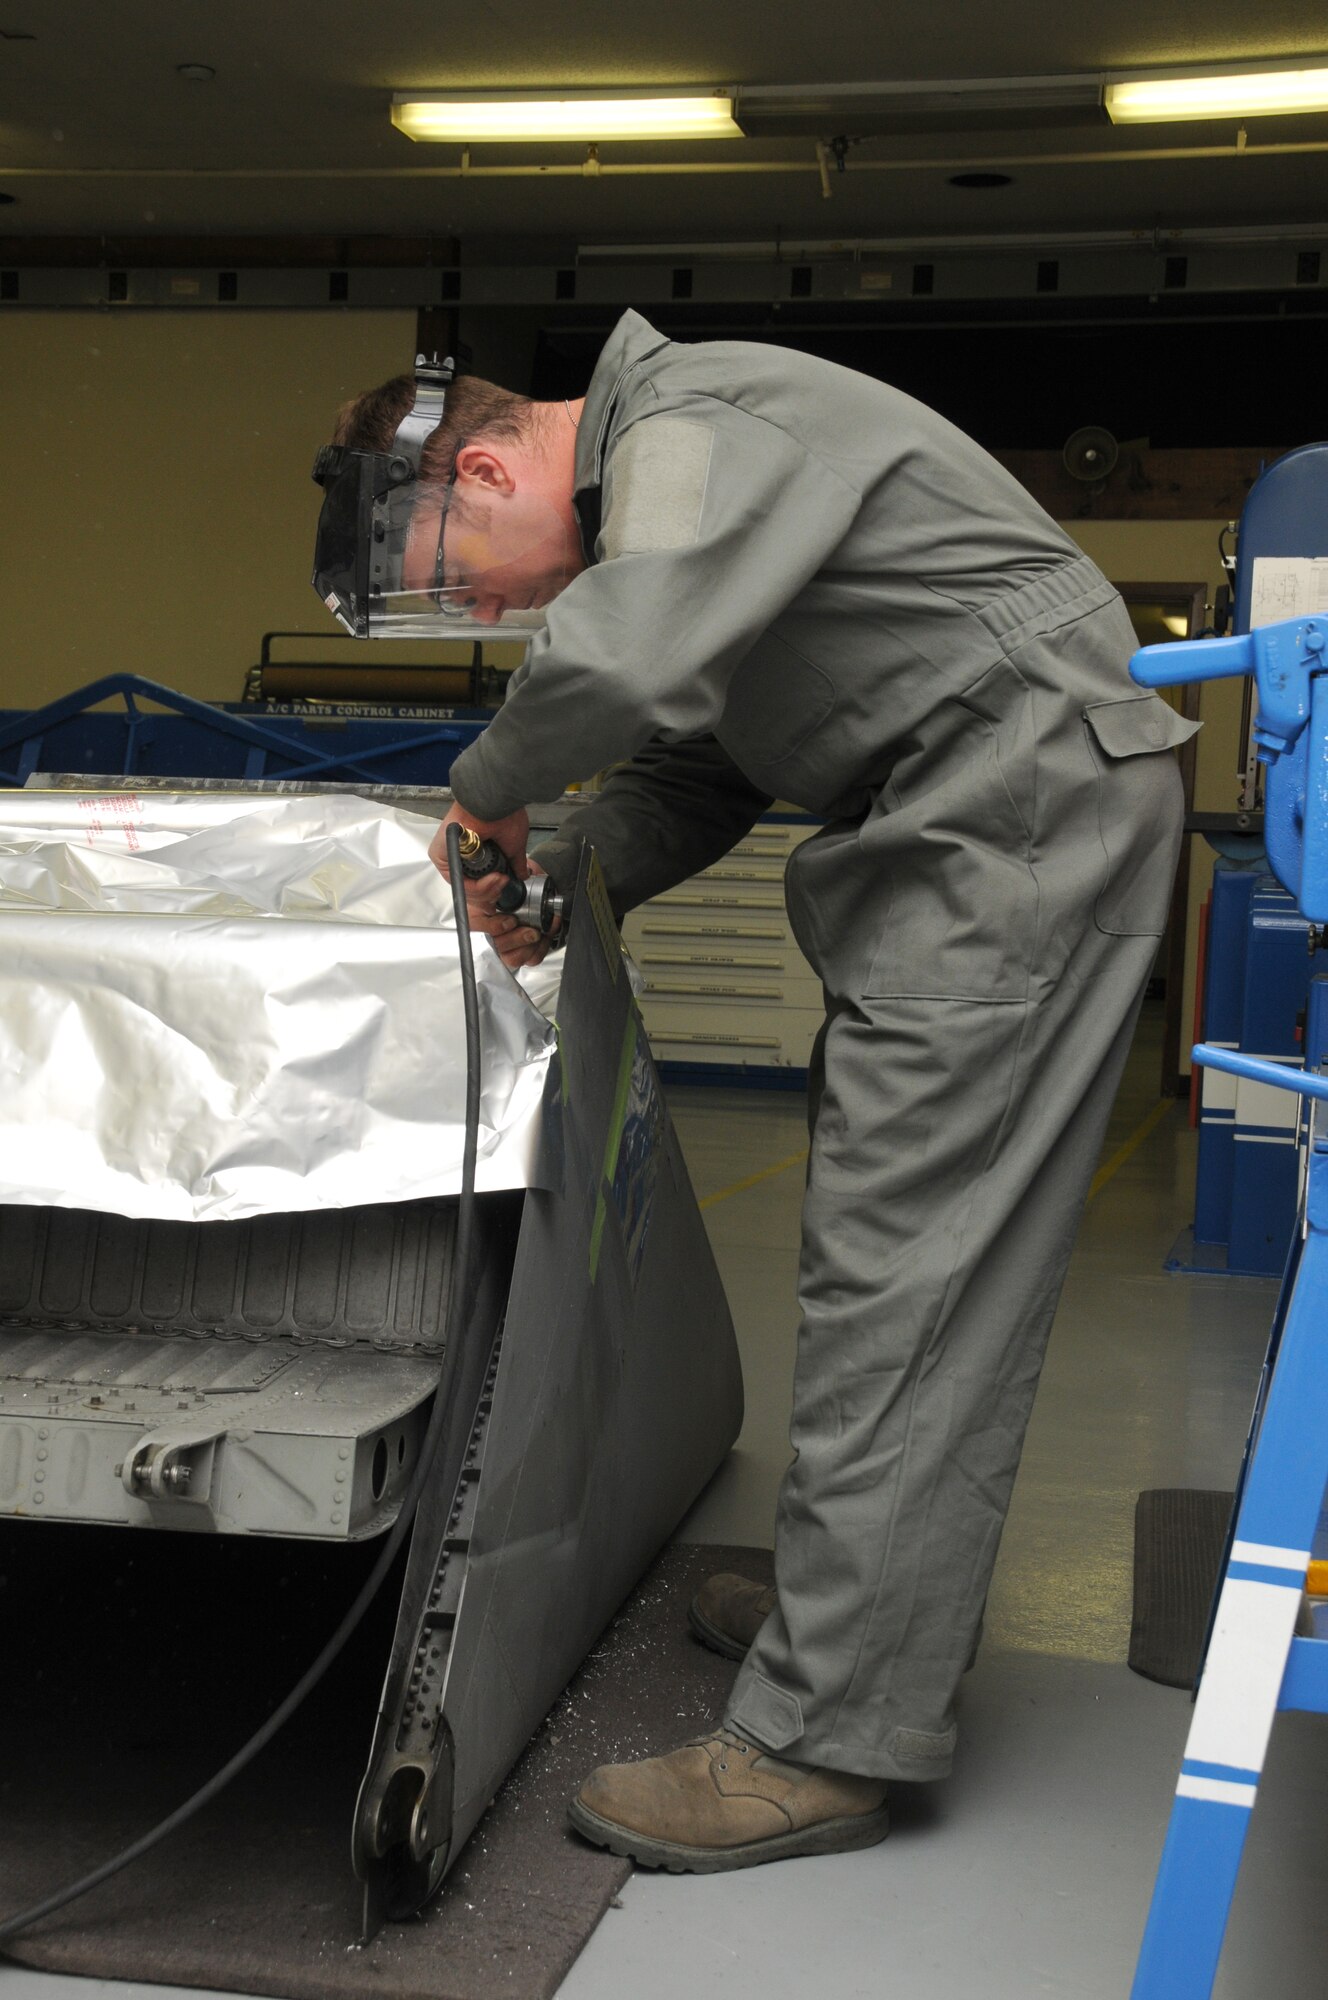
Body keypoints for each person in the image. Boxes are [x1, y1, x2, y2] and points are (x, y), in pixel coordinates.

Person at [331, 310, 1195, 1873]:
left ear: (480, 463)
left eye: (464, 576)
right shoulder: (696, 487)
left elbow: (637, 654)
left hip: (1014, 814)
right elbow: (704, 764)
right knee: (878, 1251)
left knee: (913, 1271)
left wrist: (488, 783)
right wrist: (559, 877)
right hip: (970, 815)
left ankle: (823, 1739)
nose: (489, 610)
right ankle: (833, 1617)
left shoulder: (693, 418)